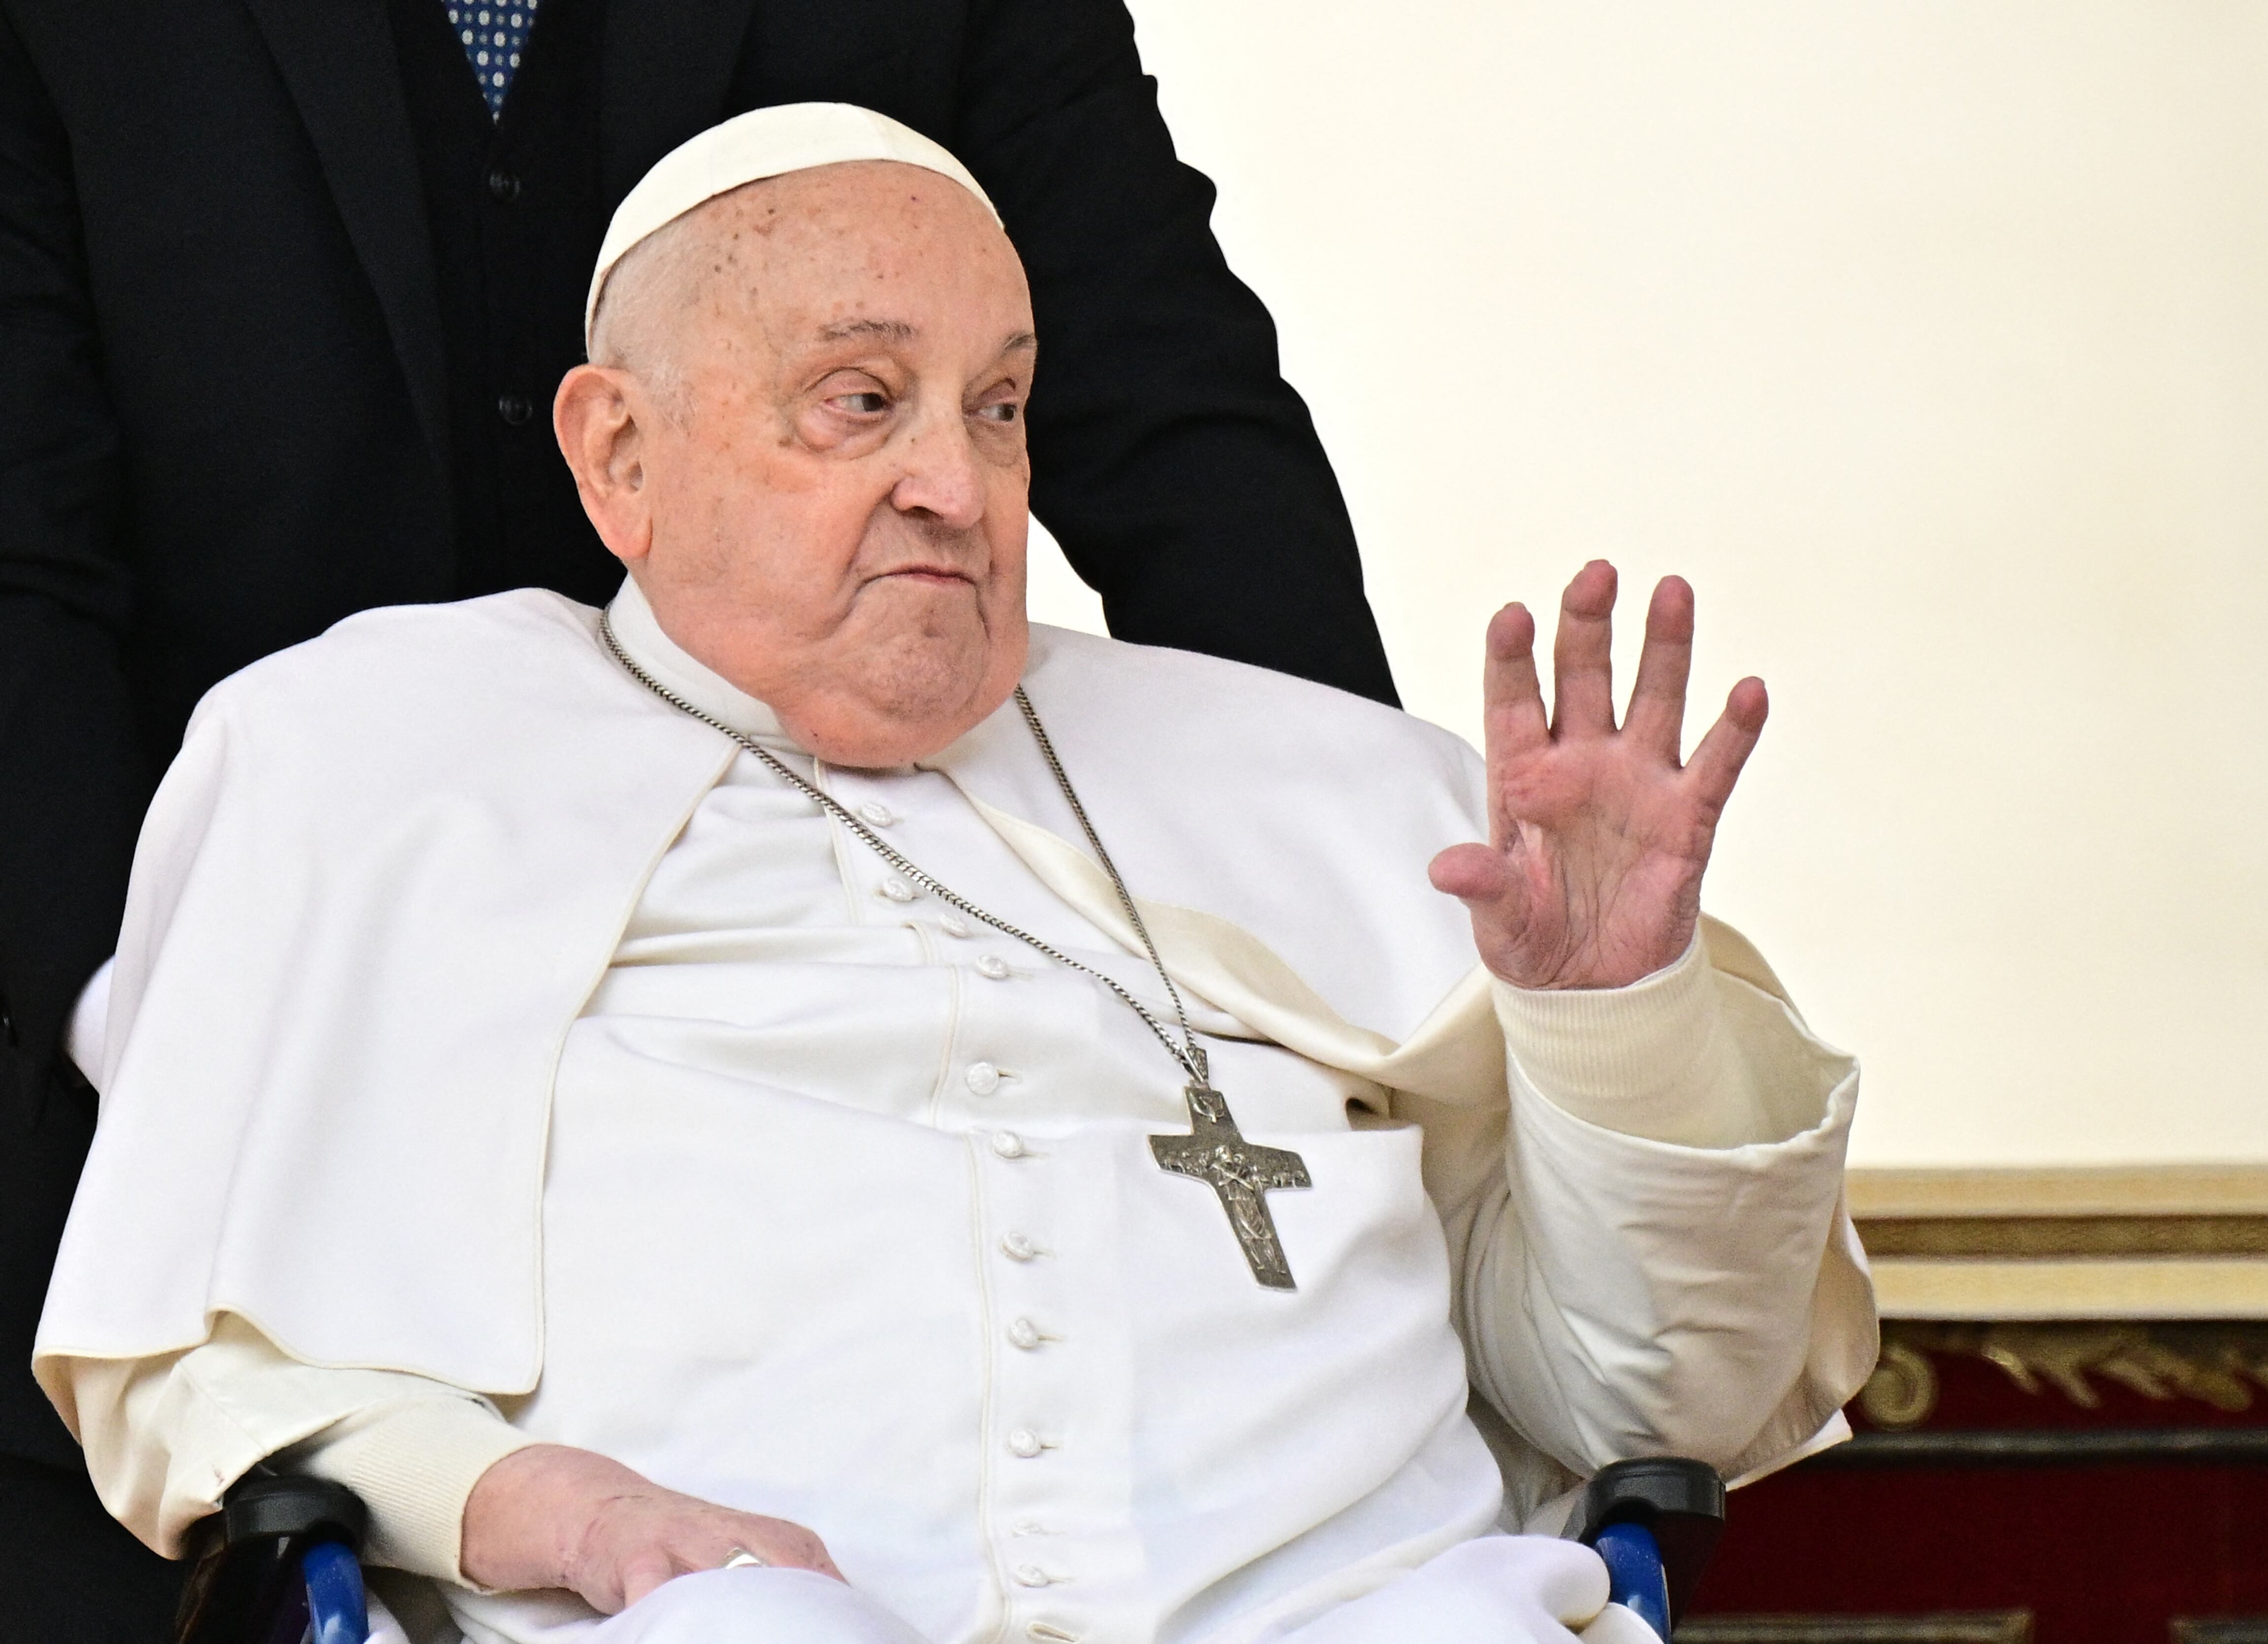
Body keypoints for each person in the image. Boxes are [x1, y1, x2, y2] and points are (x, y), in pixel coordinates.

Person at [37, 106, 1873, 1644]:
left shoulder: (1320, 785)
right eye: (861, 401)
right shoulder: (376, 758)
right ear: (619, 453)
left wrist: (1615, 1025)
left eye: (997, 410)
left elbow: (1644, 1410)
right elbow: (199, 1359)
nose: (959, 487)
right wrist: (537, 1502)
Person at [0, 8, 1393, 1627]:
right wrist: (168, 1052)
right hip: (211, 978)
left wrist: (1359, 916)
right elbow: (22, 559)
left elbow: (1178, 417)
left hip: (790, 1008)